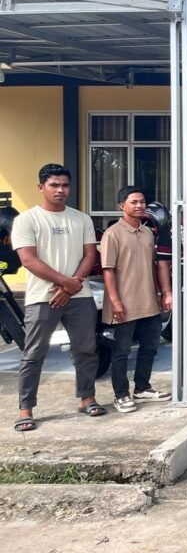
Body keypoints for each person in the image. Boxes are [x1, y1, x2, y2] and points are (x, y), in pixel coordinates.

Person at [11, 164, 104, 431]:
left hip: (80, 296)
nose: (60, 190)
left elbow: (90, 255)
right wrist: (65, 283)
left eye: (65, 185)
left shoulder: (81, 219)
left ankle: (87, 398)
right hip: (43, 297)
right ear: (41, 187)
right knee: (34, 353)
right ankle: (25, 408)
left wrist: (72, 286)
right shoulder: (27, 220)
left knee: (85, 349)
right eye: (54, 185)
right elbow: (28, 260)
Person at [100, 185, 173, 413]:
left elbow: (154, 266)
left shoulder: (148, 232)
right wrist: (115, 301)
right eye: (134, 202)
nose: (140, 205)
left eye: (142, 202)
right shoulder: (113, 234)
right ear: (122, 205)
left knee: (150, 347)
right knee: (122, 351)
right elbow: (108, 270)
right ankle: (121, 395)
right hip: (124, 302)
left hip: (148, 301)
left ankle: (142, 388)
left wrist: (160, 293)